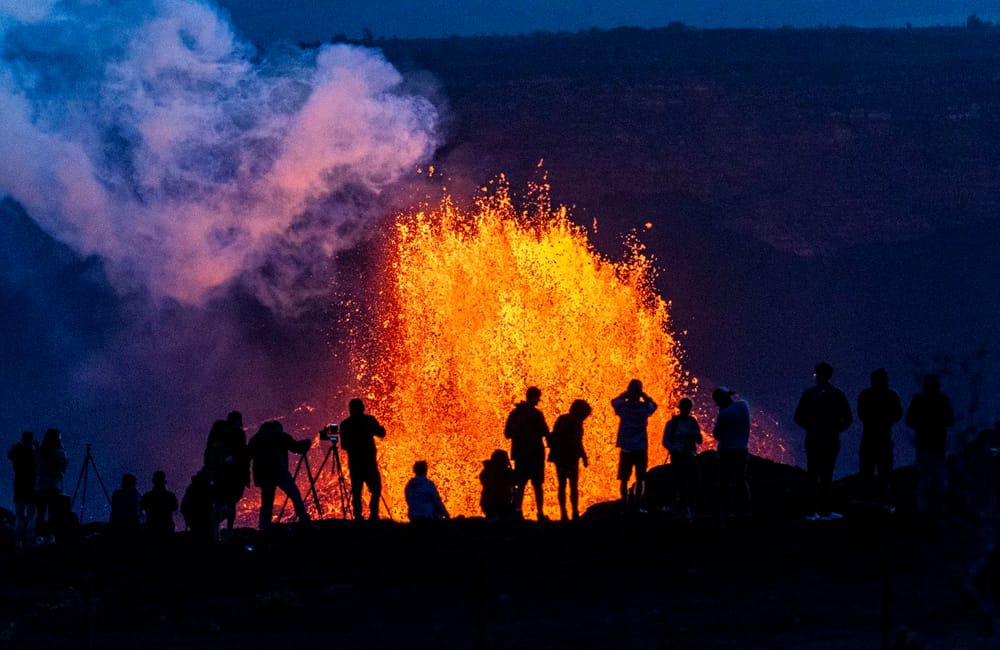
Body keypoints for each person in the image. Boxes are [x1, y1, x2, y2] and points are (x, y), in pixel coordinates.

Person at [794, 362, 853, 521]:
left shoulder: (809, 394)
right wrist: (835, 429)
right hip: (831, 440)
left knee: (812, 474)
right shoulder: (838, 394)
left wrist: (811, 427)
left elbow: (798, 417)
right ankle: (825, 511)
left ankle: (811, 512)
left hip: (813, 439)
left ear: (817, 375)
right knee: (827, 474)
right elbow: (848, 418)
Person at [247, 420, 313, 530]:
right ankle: (305, 522)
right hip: (279, 472)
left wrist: (247, 476)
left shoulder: (255, 439)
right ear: (277, 428)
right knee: (295, 495)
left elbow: (247, 457)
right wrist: (306, 443)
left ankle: (264, 528)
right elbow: (296, 447)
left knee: (267, 503)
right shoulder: (280, 436)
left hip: (264, 475)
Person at [905, 373, 954, 517]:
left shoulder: (925, 400)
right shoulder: (937, 400)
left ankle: (929, 509)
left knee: (931, 478)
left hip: (932, 445)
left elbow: (949, 420)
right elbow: (910, 420)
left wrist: (926, 423)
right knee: (930, 478)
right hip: (931, 445)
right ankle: (931, 509)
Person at [857, 368, 903, 509]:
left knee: (870, 470)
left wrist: (875, 420)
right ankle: (882, 501)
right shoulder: (891, 395)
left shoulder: (866, 395)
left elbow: (861, 414)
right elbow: (898, 414)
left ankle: (870, 500)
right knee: (882, 470)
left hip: (872, 438)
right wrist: (886, 420)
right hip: (882, 438)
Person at [504, 386, 550, 521]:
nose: (538, 401)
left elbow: (507, 434)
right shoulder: (536, 414)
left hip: (519, 454)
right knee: (537, 484)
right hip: (535, 454)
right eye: (538, 398)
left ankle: (518, 511)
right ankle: (540, 513)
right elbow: (545, 432)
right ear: (534, 397)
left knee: (520, 483)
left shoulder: (514, 414)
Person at [612, 379, 658, 510]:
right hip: (640, 448)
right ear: (640, 393)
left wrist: (625, 395)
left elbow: (614, 401)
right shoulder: (644, 408)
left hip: (626, 448)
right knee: (640, 478)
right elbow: (654, 405)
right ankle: (637, 506)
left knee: (624, 479)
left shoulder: (623, 408)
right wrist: (645, 396)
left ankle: (624, 504)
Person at [338, 398, 387, 521]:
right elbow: (381, 433)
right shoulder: (369, 420)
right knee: (376, 489)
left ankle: (358, 516)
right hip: (369, 462)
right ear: (362, 408)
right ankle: (373, 514)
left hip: (354, 463)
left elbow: (344, 445)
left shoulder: (345, 424)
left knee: (357, 491)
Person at [203, 411, 250, 533]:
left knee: (219, 501)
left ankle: (216, 531)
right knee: (230, 502)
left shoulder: (218, 432)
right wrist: (245, 475)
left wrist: (209, 467)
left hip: (220, 473)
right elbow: (242, 454)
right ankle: (227, 530)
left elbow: (209, 450)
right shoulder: (237, 434)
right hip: (232, 475)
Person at [711, 387, 752, 519]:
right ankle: (745, 510)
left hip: (727, 451)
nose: (717, 404)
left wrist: (722, 412)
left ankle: (727, 511)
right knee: (741, 480)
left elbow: (717, 434)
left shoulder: (724, 413)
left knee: (725, 481)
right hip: (742, 449)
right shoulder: (744, 405)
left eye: (717, 401)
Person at [547, 399, 591, 521]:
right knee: (573, 486)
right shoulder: (576, 422)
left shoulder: (562, 418)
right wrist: (584, 456)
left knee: (561, 486)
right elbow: (577, 441)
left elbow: (553, 435)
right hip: (571, 458)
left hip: (559, 457)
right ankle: (575, 512)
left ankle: (563, 513)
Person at [663, 397, 703, 521]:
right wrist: (675, 449)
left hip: (689, 455)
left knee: (694, 481)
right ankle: (681, 508)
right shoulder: (672, 423)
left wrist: (691, 435)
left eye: (689, 408)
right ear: (680, 408)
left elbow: (699, 440)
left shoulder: (692, 422)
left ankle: (686, 506)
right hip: (678, 456)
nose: (687, 410)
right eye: (685, 407)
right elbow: (665, 441)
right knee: (680, 481)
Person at [34, 428, 67, 543]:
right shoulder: (60, 452)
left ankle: (39, 536)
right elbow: (63, 469)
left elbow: (36, 467)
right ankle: (51, 535)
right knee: (53, 513)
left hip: (40, 486)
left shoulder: (40, 452)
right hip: (54, 486)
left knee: (40, 513)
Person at [8, 431, 37, 548]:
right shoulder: (33, 453)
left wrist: (16, 446)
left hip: (19, 485)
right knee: (31, 516)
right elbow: (41, 460)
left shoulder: (17, 453)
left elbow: (9, 455)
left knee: (19, 515)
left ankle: (18, 541)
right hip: (31, 486)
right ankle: (30, 542)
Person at [141, 470, 178, 541]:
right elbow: (174, 507)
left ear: (153, 481)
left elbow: (143, 507)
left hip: (151, 527)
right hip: (166, 528)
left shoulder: (147, 496)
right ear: (164, 481)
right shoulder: (170, 495)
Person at [479, 449, 516, 521]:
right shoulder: (505, 473)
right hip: (500, 504)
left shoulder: (486, 471)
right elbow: (515, 481)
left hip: (489, 504)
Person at [180, 470, 217, 540]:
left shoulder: (191, 488)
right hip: (204, 520)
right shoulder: (207, 488)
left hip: (192, 520)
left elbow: (183, 505)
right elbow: (217, 499)